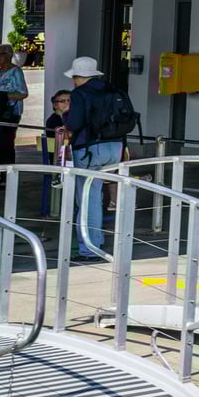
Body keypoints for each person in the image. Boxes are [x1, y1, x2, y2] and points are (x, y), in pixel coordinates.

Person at [59, 57, 137, 261]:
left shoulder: (80, 94)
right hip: (116, 147)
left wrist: (64, 116)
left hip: (90, 149)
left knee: (86, 199)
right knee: (97, 194)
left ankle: (89, 247)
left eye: (74, 77)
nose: (73, 81)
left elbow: (75, 123)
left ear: (78, 76)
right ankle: (97, 241)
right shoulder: (113, 90)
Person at [0, 50, 28, 179]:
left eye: (0, 54)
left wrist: (1, 96)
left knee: (6, 145)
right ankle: (3, 175)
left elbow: (23, 93)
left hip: (10, 113)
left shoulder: (16, 72)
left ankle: (8, 177)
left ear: (8, 55)